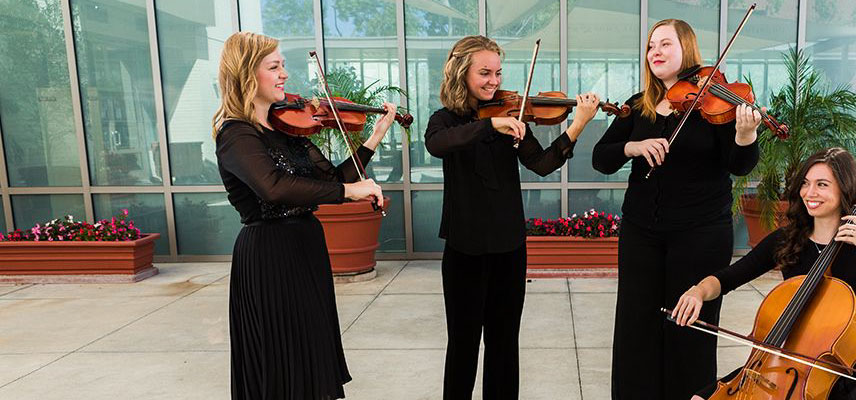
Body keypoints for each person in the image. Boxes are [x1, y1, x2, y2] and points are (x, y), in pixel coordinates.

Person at [670, 147, 856, 400]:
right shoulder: (789, 239)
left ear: (845, 189)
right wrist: (698, 291)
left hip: (844, 377)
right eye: (806, 184)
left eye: (822, 185)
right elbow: (727, 278)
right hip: (776, 367)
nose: (809, 193)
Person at [212, 31, 396, 399]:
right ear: (248, 74)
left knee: (310, 348)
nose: (284, 74)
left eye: (282, 66)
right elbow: (274, 187)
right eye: (274, 66)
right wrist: (350, 190)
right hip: (269, 256)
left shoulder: (289, 131)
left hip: (305, 249)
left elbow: (333, 180)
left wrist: (373, 138)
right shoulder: (236, 134)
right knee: (281, 355)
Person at [591, 18, 765, 400]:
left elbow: (739, 164)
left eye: (665, 44)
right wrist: (632, 147)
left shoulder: (714, 100)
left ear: (686, 48)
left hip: (701, 233)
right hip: (641, 231)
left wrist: (745, 133)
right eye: (652, 45)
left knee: (690, 326)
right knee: (637, 325)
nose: (655, 52)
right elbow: (600, 158)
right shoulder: (639, 105)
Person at [423, 35, 600, 400]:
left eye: (498, 73)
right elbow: (437, 145)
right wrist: (492, 126)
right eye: (484, 72)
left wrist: (577, 125)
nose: (494, 81)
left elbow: (542, 164)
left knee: (505, 345)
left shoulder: (512, 113)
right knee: (463, 343)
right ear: (461, 73)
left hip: (509, 248)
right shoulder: (445, 120)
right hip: (465, 249)